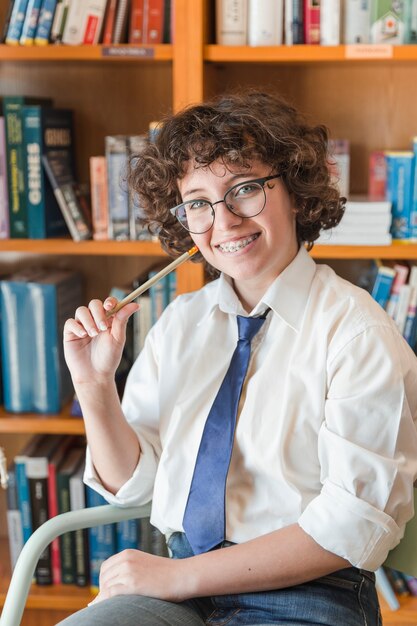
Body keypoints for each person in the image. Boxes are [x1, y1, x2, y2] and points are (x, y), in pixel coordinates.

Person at [60, 90, 417, 626]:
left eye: (245, 189)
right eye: (198, 202)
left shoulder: (358, 332)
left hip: (309, 594)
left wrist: (176, 577)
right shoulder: (181, 322)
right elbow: (137, 484)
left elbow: (350, 530)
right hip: (178, 589)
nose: (223, 222)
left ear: (295, 190)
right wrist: (94, 386)